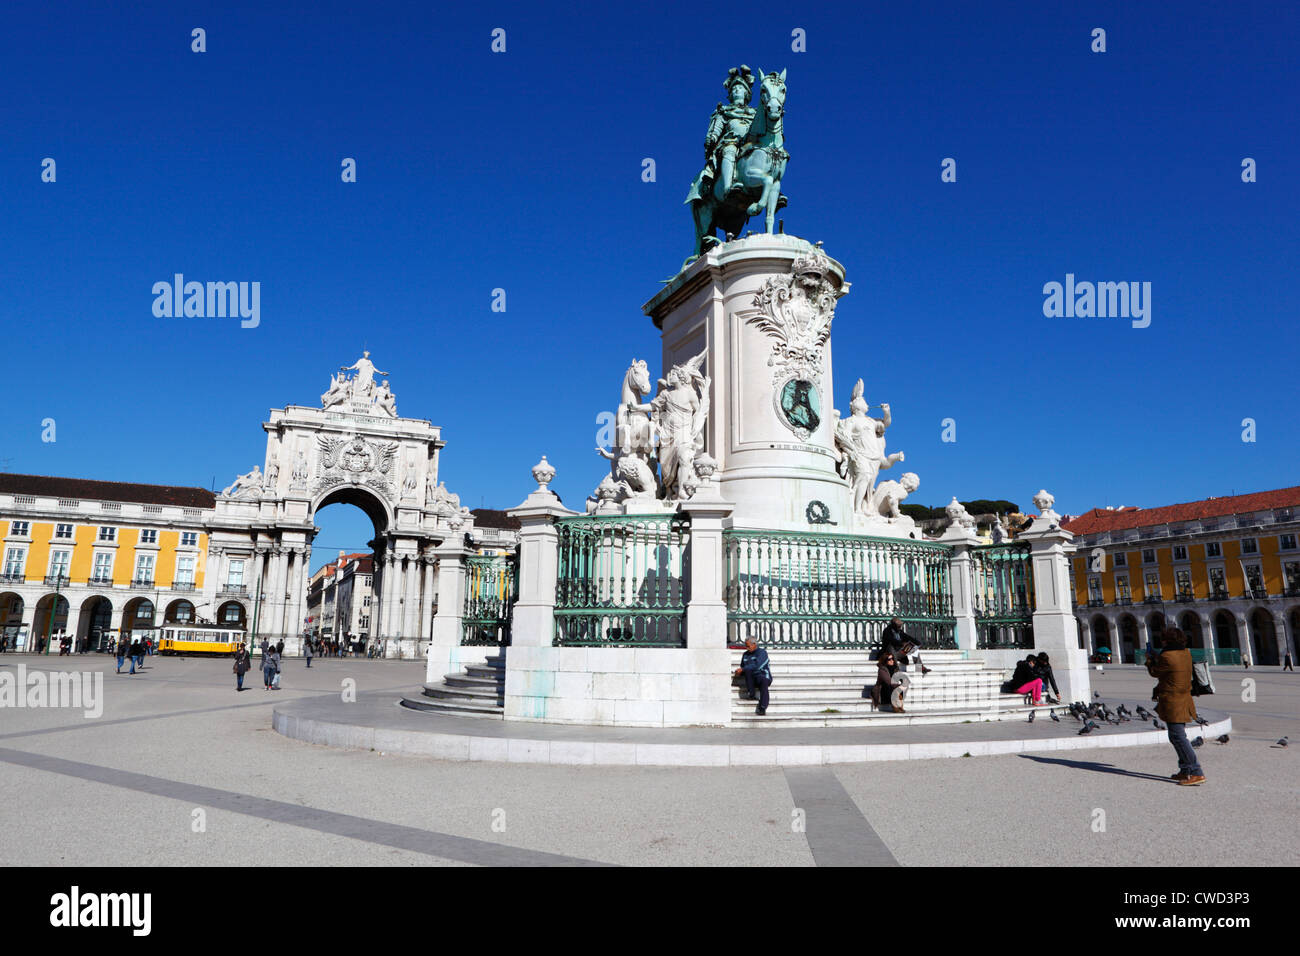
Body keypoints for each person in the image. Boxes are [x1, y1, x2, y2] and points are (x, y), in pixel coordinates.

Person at [1146, 626, 1204, 786]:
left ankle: (1196, 771)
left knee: (1178, 736)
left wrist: (1150, 659)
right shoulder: (1185, 652)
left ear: (1166, 640)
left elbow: (1155, 672)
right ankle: (1185, 769)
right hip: (1184, 698)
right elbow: (1171, 668)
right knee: (1176, 735)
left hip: (1173, 701)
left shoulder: (1167, 656)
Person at [735, 637, 772, 716]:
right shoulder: (745, 654)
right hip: (751, 678)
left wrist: (743, 669)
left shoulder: (762, 653)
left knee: (763, 681)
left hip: (762, 675)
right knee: (747, 670)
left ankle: (762, 707)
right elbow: (743, 667)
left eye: (748, 646)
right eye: (746, 646)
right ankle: (751, 694)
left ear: (754, 644)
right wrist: (739, 672)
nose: (747, 648)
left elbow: (758, 666)